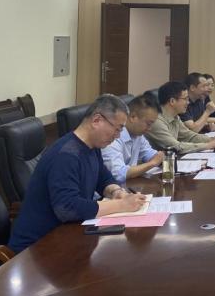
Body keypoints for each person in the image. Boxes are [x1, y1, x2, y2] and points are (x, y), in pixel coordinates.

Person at [8, 95, 147, 253]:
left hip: (66, 235)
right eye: (117, 129)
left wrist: (117, 192)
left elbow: (103, 178)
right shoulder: (65, 155)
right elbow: (67, 208)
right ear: (96, 120)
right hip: (36, 248)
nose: (117, 136)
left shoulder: (93, 146)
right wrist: (121, 205)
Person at [145, 81, 215, 154]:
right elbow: (175, 147)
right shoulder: (156, 121)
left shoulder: (175, 117)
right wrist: (207, 146)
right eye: (185, 99)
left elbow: (188, 136)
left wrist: (211, 139)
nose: (188, 102)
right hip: (159, 163)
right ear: (172, 101)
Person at [102, 91, 165, 184]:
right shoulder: (112, 136)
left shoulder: (137, 134)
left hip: (130, 186)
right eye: (148, 124)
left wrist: (161, 157)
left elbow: (150, 154)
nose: (150, 128)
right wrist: (152, 163)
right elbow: (118, 174)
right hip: (111, 189)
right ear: (133, 117)